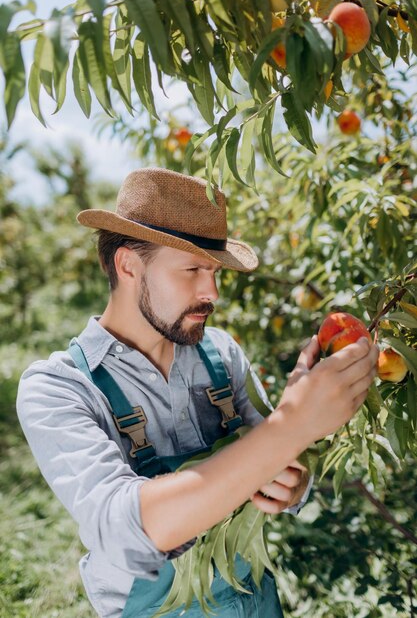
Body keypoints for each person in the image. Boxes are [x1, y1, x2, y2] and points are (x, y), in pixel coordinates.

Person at [17, 168, 378, 618]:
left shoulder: (222, 353)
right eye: (192, 270)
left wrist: (294, 480)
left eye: (213, 271)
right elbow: (129, 530)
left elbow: (285, 459)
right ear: (128, 265)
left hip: (254, 600)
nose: (212, 291)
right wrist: (295, 425)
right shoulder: (59, 387)